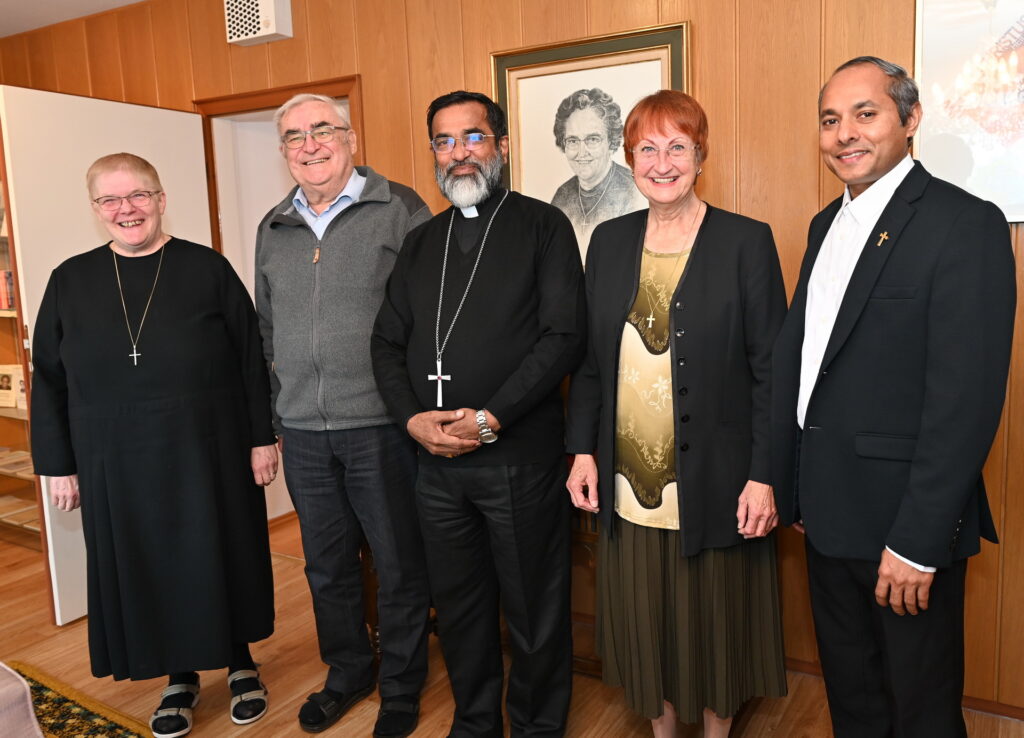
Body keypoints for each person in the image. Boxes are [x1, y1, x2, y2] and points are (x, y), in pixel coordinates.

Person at [770, 56, 1016, 737]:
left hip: (905, 532)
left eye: (864, 114)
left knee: (921, 710)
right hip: (825, 517)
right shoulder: (825, 226)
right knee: (854, 700)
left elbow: (964, 405)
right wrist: (793, 485)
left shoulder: (964, 224)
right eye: (829, 119)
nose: (843, 133)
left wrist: (918, 542)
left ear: (909, 120)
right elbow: (807, 367)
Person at [565, 89, 789, 738]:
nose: (662, 162)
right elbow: (590, 363)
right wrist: (582, 450)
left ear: (700, 156)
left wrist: (764, 474)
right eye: (647, 149)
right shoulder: (607, 243)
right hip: (629, 480)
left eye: (677, 147)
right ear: (629, 158)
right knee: (646, 623)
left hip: (720, 481)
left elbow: (771, 370)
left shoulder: (747, 241)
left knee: (714, 623)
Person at [30, 153, 278, 738]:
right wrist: (59, 465)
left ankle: (241, 663)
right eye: (110, 200)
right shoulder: (70, 279)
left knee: (220, 550)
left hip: (208, 446)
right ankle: (178, 676)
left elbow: (250, 361)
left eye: (138, 195)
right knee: (150, 563)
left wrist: (261, 438)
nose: (126, 210)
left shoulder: (207, 268)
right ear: (95, 210)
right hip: (114, 457)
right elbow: (49, 377)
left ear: (161, 199)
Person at [371, 90, 585, 738]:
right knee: (460, 609)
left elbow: (564, 338)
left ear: (502, 146)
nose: (458, 153)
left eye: (473, 137)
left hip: (518, 460)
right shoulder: (421, 242)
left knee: (533, 610)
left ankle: (539, 726)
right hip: (435, 466)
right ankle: (474, 724)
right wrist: (413, 420)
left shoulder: (542, 227)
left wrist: (491, 418)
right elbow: (385, 342)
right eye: (444, 140)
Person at [254, 93, 432, 737]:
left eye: (322, 129)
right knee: (326, 566)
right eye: (294, 136)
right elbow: (266, 329)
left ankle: (403, 687)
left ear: (350, 137)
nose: (310, 144)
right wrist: (277, 409)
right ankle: (349, 670)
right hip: (302, 431)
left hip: (382, 427)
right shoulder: (274, 225)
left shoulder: (400, 208)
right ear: (284, 152)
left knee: (397, 562)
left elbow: (428, 318)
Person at [550, 88, 646, 255]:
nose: (582, 152)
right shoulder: (562, 196)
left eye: (592, 139)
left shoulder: (634, 191)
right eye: (573, 140)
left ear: (611, 141)